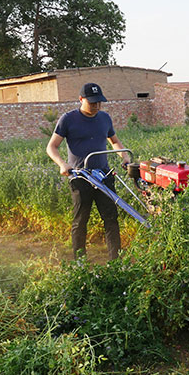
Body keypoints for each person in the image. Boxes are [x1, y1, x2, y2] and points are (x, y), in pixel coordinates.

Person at [46, 82, 128, 260]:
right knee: (81, 221)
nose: (96, 106)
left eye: (99, 102)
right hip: (80, 177)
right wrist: (62, 164)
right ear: (81, 99)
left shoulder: (105, 118)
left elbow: (114, 141)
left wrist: (125, 157)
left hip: (104, 176)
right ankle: (80, 264)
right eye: (92, 103)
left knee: (111, 219)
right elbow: (51, 147)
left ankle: (116, 262)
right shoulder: (68, 119)